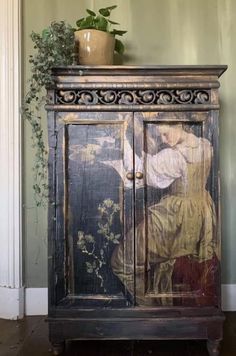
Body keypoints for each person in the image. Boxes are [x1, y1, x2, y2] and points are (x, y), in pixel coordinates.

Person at [104, 124, 218, 305]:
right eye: (161, 136)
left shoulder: (174, 156)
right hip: (200, 212)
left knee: (121, 262)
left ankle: (150, 306)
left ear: (179, 124)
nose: (165, 140)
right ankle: (163, 303)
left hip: (175, 218)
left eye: (165, 134)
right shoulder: (204, 144)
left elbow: (140, 172)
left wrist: (123, 141)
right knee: (163, 261)